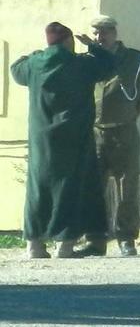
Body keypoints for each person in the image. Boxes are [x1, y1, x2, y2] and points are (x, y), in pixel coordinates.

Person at [11, 22, 114, 258]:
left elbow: (16, 69)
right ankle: (65, 245)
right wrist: (93, 47)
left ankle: (34, 245)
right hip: (74, 137)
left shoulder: (34, 65)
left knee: (38, 190)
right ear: (68, 41)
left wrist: (38, 54)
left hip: (41, 140)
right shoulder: (81, 64)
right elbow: (109, 65)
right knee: (69, 188)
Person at [75, 15, 140, 257]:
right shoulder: (86, 61)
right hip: (95, 132)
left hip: (125, 131)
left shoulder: (134, 59)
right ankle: (95, 240)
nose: (101, 37)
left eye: (106, 31)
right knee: (92, 189)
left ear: (115, 33)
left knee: (126, 188)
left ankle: (126, 238)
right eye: (96, 32)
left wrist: (129, 117)